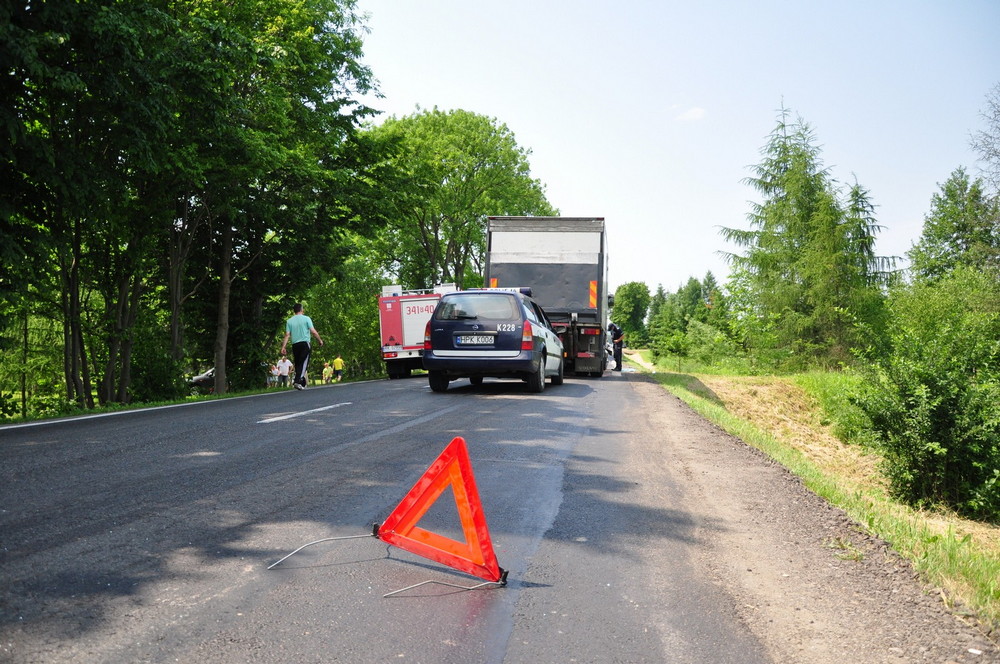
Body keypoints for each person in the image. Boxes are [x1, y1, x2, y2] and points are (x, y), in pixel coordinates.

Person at [280, 303, 324, 390]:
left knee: (298, 363)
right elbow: (313, 331)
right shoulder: (306, 318)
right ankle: (298, 381)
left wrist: (283, 347)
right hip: (305, 344)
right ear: (301, 310)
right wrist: (320, 340)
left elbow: (287, 335)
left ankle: (299, 380)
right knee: (303, 363)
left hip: (295, 345)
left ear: (294, 311)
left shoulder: (289, 321)